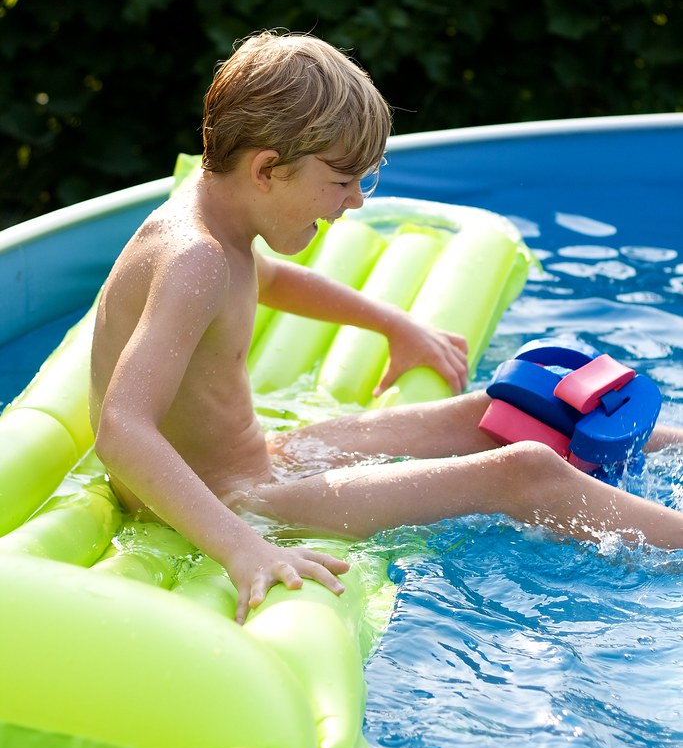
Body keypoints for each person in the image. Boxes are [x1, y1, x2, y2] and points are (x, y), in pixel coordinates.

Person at [90, 30, 683, 625]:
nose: (354, 203)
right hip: (233, 503)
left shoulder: (215, 220)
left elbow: (267, 280)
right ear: (268, 168)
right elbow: (121, 430)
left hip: (260, 461)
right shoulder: (194, 258)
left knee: (503, 409)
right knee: (522, 471)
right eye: (343, 181)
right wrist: (242, 546)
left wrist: (393, 324)